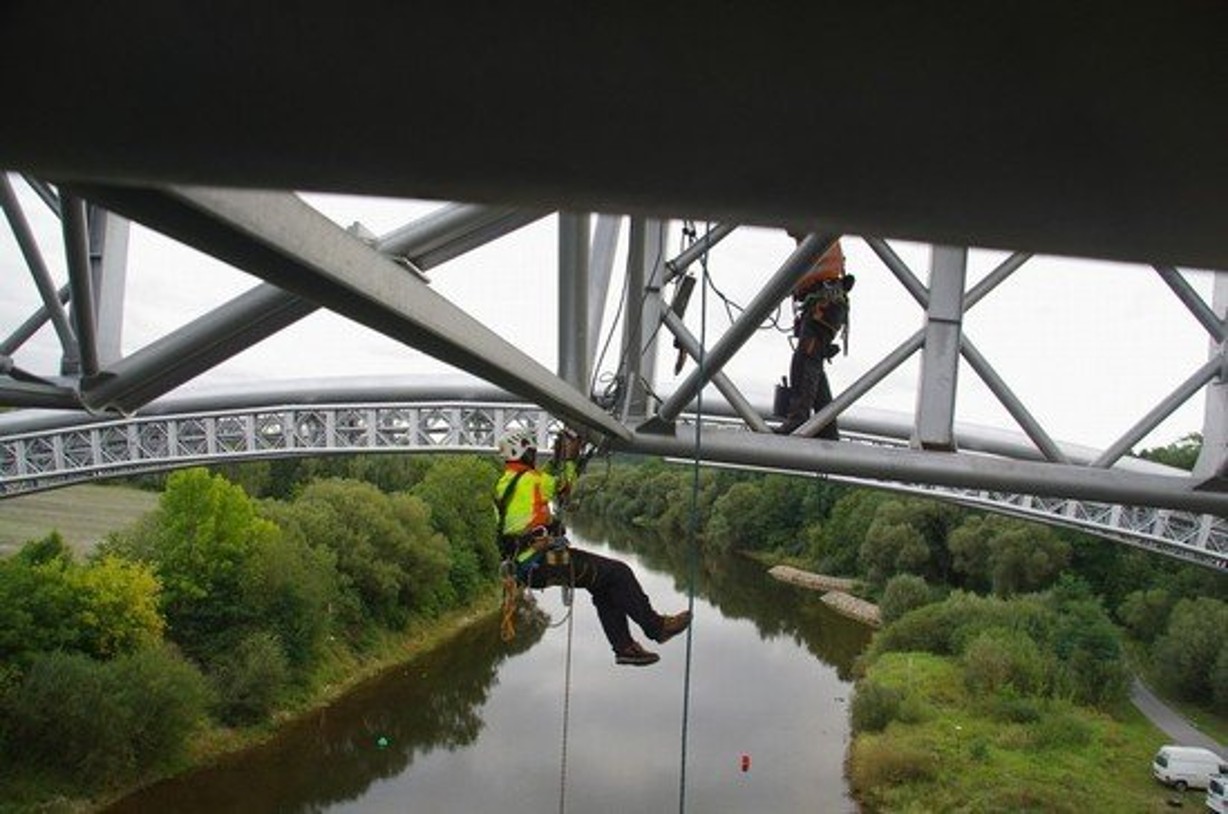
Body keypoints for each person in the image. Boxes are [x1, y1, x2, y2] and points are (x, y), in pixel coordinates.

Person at [493, 428, 691, 666]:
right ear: (524, 452)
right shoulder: (532, 481)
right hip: (542, 562)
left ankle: (624, 648)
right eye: (532, 452)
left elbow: (540, 485)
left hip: (527, 566)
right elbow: (564, 488)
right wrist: (569, 458)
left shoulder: (505, 483)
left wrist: (559, 460)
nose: (534, 456)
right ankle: (657, 627)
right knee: (619, 573)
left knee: (603, 585)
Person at [775, 233, 854, 437]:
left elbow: (795, 227)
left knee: (806, 360)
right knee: (811, 360)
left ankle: (799, 418)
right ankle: (826, 427)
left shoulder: (818, 231)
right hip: (822, 303)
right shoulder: (816, 239)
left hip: (824, 302)